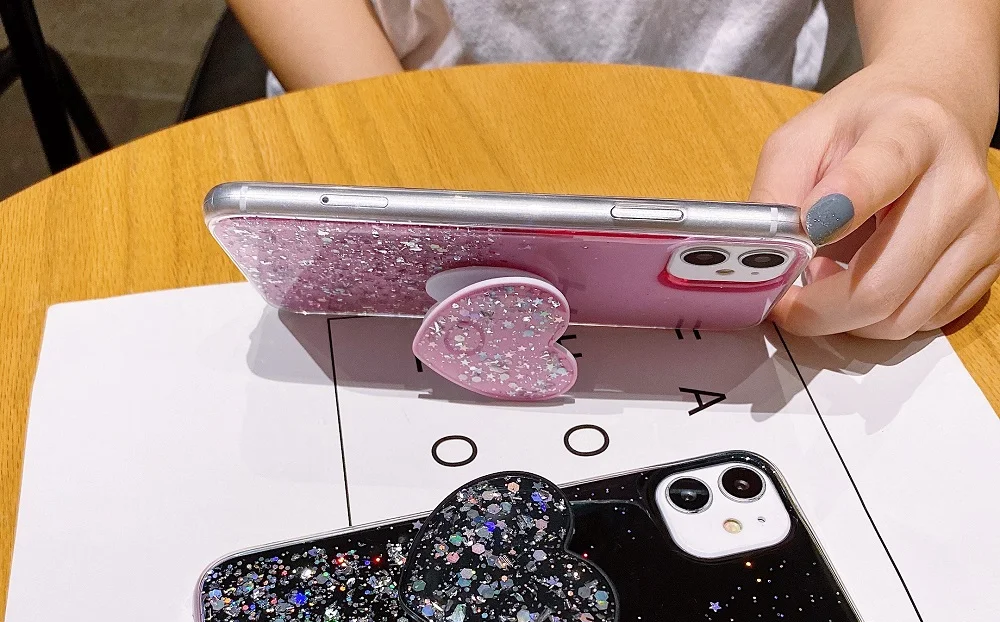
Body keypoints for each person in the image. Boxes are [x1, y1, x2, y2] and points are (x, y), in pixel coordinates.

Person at [229, 0, 1000, 341]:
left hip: (740, 131)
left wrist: (934, 75)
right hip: (360, 97)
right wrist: (379, 123)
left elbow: (935, 51)